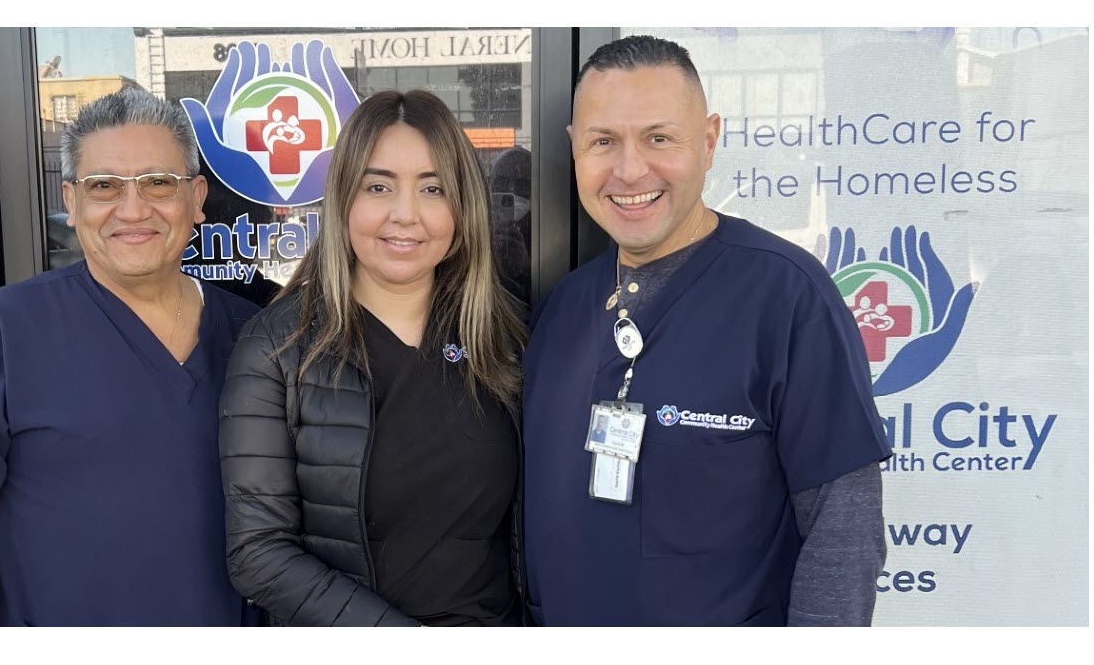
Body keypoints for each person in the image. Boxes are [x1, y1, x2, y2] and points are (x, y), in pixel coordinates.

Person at [523, 35, 891, 626]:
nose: (629, 169)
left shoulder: (787, 295)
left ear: (710, 140)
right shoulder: (564, 306)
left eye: (659, 138)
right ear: (574, 149)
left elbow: (842, 532)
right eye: (602, 142)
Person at [0, 89, 259, 626]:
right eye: (104, 187)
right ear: (71, 202)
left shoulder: (253, 332)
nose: (133, 209)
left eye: (158, 182)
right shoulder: (6, 330)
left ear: (196, 197)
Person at [218, 89, 528, 626]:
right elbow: (258, 553)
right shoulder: (278, 347)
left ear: (462, 206)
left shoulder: (504, 337)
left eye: (433, 188)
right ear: (343, 200)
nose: (405, 215)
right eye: (378, 186)